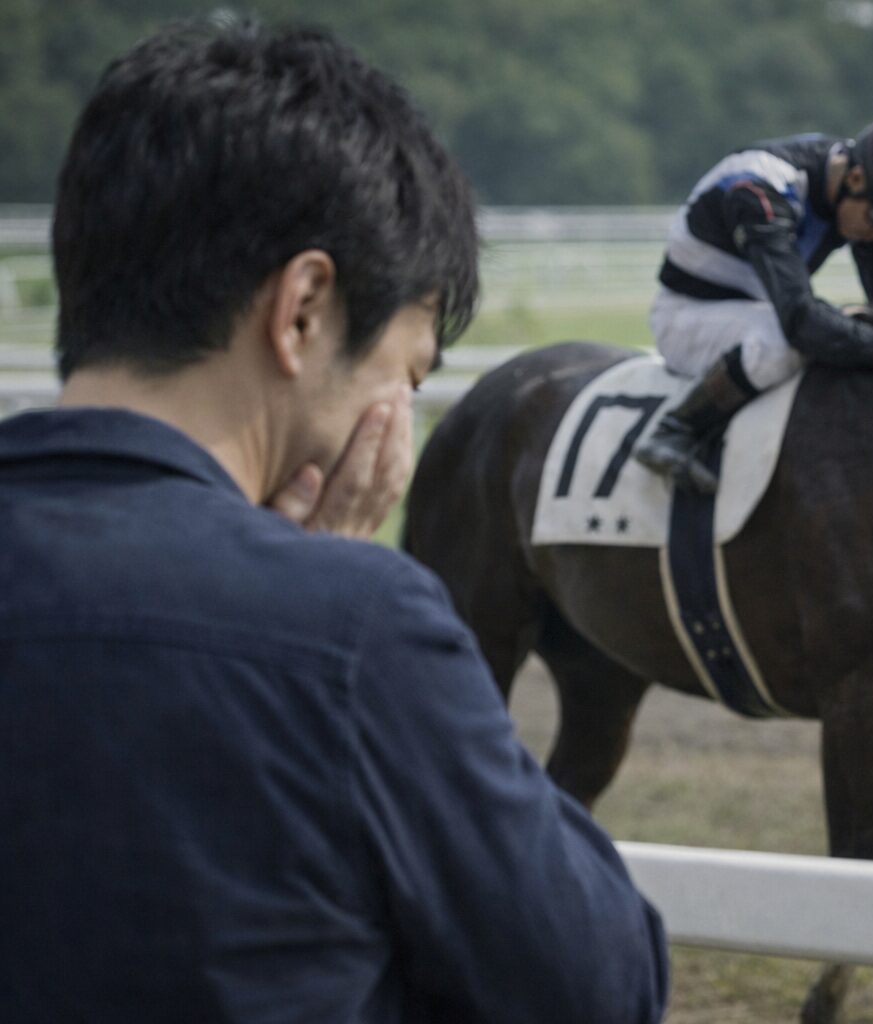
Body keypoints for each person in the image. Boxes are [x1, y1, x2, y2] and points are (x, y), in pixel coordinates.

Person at [0, 18, 668, 1022]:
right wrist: (314, 582)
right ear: (304, 308)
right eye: (405, 372)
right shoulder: (356, 628)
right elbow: (602, 987)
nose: (396, 421)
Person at [633, 114, 873, 493]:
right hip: (688, 317)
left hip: (757, 313)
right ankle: (675, 430)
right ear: (855, 180)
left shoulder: (863, 188)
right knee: (785, 344)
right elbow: (799, 322)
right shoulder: (761, 188)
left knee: (872, 332)